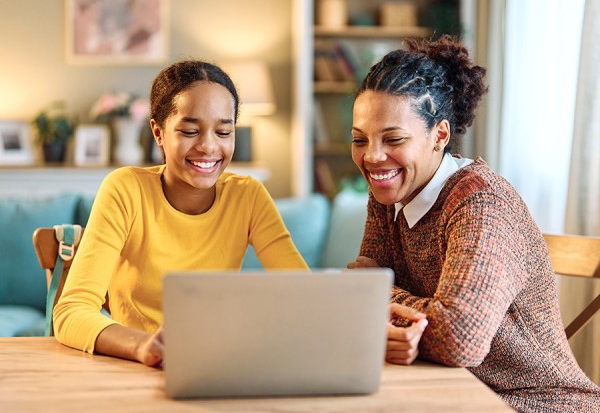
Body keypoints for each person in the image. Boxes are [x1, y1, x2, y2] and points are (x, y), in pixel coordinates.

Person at [347, 35, 600, 412]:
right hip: (448, 390)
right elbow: (359, 298)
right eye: (359, 139)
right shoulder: (389, 190)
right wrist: (398, 301)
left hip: (534, 403)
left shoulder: (481, 201)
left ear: (440, 135)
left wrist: (382, 293)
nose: (372, 157)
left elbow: (457, 339)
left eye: (393, 138)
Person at [53, 60, 311, 367]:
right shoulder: (125, 190)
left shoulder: (248, 196)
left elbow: (305, 295)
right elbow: (71, 311)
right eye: (190, 130)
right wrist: (143, 346)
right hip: (134, 368)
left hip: (216, 364)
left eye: (224, 131)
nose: (208, 146)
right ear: (158, 133)